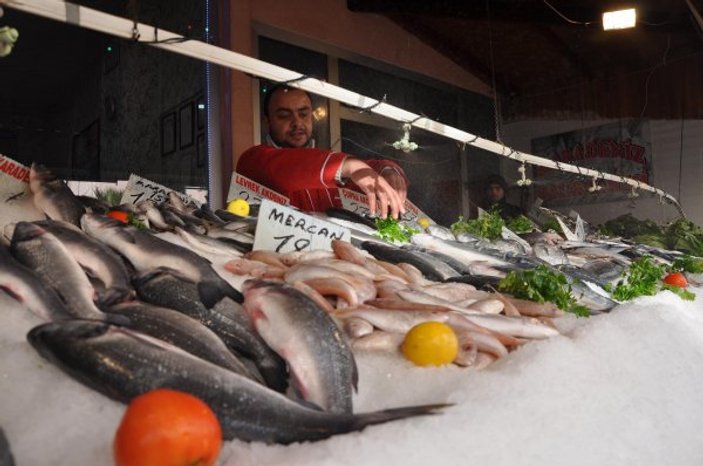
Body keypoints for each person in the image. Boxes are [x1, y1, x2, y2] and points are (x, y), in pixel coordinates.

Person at [236, 84, 409, 218]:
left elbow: (368, 169)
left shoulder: (325, 162)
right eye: (284, 115)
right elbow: (286, 170)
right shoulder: (253, 159)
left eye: (303, 114)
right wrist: (351, 166)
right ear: (267, 122)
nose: (297, 123)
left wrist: (387, 170)